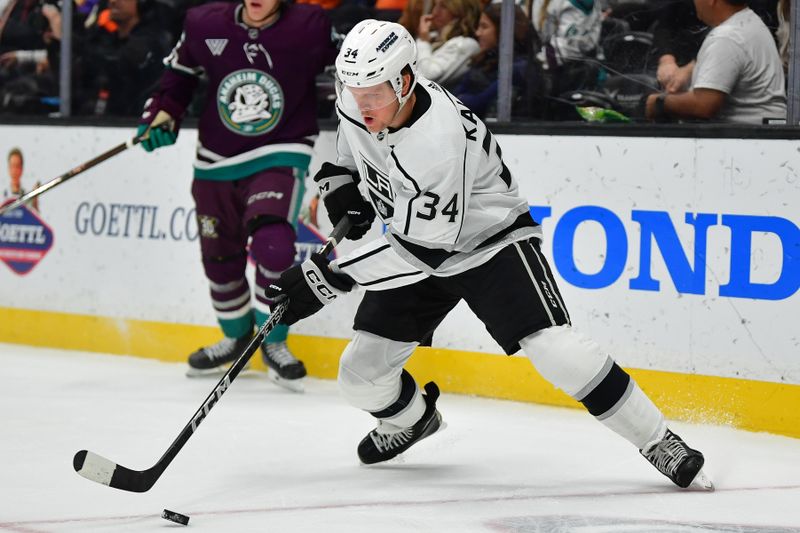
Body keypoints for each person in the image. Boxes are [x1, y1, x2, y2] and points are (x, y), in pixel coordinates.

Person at [265, 19, 713, 490]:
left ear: (404, 80)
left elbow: (427, 244)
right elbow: (350, 142)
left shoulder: (439, 140)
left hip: (490, 243)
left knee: (556, 349)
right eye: (351, 88)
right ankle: (410, 421)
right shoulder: (362, 97)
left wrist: (328, 276)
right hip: (412, 241)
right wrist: (337, 181)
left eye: (371, 91)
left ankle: (658, 439)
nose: (359, 101)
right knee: (359, 376)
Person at [137, 0, 338, 388]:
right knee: (219, 255)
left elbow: (351, 70)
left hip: (281, 148)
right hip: (216, 157)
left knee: (275, 245)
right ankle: (235, 336)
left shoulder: (310, 26)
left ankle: (273, 340)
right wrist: (161, 112)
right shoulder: (202, 22)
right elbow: (178, 77)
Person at [645, 0, 786, 124]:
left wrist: (658, 102)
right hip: (761, 136)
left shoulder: (727, 37)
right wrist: (688, 72)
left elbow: (704, 106)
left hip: (749, 139)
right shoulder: (749, 21)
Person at [454, 3, 532, 118]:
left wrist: (462, 98)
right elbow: (454, 96)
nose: (477, 33)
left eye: (484, 27)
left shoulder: (518, 68)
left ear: (503, 30)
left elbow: (478, 104)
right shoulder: (483, 59)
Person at [415, 0, 481, 88]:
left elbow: (427, 77)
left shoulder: (465, 44)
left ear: (460, 12)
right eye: (435, 5)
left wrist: (423, 41)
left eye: (443, 7)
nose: (435, 12)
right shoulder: (432, 36)